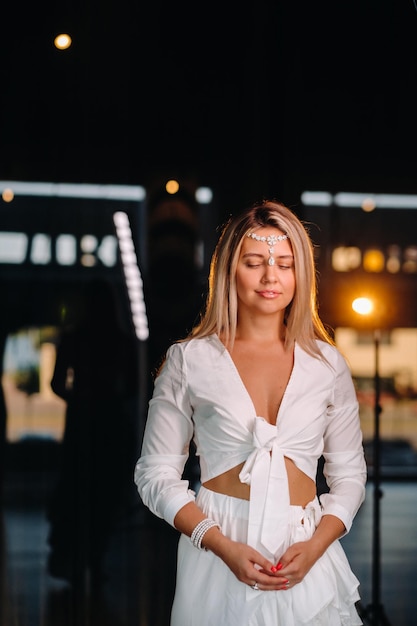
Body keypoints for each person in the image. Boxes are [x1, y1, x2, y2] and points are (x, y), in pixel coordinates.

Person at [134, 200, 367, 625]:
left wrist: (315, 547)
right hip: (218, 553)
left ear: (301, 273)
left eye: (284, 263)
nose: (270, 277)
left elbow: (349, 475)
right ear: (229, 269)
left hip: (307, 555)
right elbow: (154, 474)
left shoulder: (327, 365)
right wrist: (219, 543)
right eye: (254, 262)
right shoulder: (189, 361)